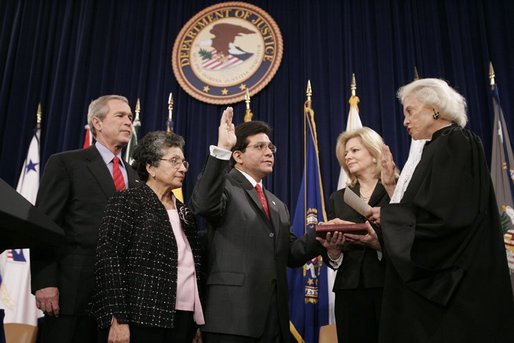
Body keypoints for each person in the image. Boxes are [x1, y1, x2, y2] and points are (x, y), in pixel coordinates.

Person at [370, 78, 514, 342]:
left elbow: (447, 216)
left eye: (410, 111)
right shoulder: (439, 145)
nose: (405, 121)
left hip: (455, 290)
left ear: (434, 108)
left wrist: (390, 218)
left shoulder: (454, 142)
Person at [189, 107, 326, 342]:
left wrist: (323, 235)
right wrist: (222, 148)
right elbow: (202, 204)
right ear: (238, 156)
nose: (269, 152)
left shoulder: (277, 204)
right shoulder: (225, 186)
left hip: (273, 321)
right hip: (232, 318)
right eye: (260, 146)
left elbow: (290, 254)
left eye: (270, 147)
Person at [30, 95, 138, 343]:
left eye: (130, 117)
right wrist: (44, 281)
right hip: (72, 293)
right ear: (97, 123)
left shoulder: (135, 176)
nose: (128, 122)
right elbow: (44, 226)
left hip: (118, 302)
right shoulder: (67, 163)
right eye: (120, 116)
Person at [90, 131, 204, 343]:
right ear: (150, 167)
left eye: (183, 162)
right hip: (141, 317)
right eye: (174, 161)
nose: (182, 168)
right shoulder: (127, 201)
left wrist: (197, 322)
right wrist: (118, 318)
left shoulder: (185, 213)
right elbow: (110, 261)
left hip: (184, 317)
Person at [323, 127, 393, 343]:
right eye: (345, 153)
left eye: (354, 150)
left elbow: (412, 238)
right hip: (349, 289)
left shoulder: (396, 190)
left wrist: (379, 245)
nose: (348, 156)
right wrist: (333, 252)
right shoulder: (338, 198)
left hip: (389, 285)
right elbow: (333, 255)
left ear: (373, 155)